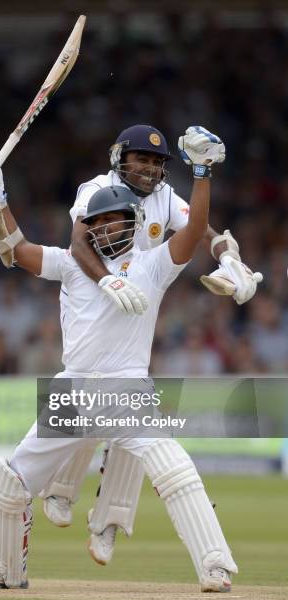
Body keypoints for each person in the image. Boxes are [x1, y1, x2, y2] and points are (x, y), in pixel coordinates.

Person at [0, 125, 238, 592]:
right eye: (109, 220)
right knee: (10, 484)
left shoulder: (152, 266)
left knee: (174, 470)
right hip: (71, 392)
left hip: (127, 390)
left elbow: (194, 229)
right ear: (91, 225)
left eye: (126, 219)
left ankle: (215, 565)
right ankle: (7, 571)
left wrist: (202, 172)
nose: (120, 227)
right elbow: (14, 251)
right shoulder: (71, 263)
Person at [40, 124, 263, 565]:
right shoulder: (96, 188)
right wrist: (106, 280)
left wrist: (229, 256)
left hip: (142, 289)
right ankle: (61, 488)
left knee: (131, 402)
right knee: (86, 387)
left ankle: (107, 521)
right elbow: (79, 241)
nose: (149, 168)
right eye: (141, 158)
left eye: (158, 162)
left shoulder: (165, 197)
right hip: (93, 289)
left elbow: (201, 229)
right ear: (120, 157)